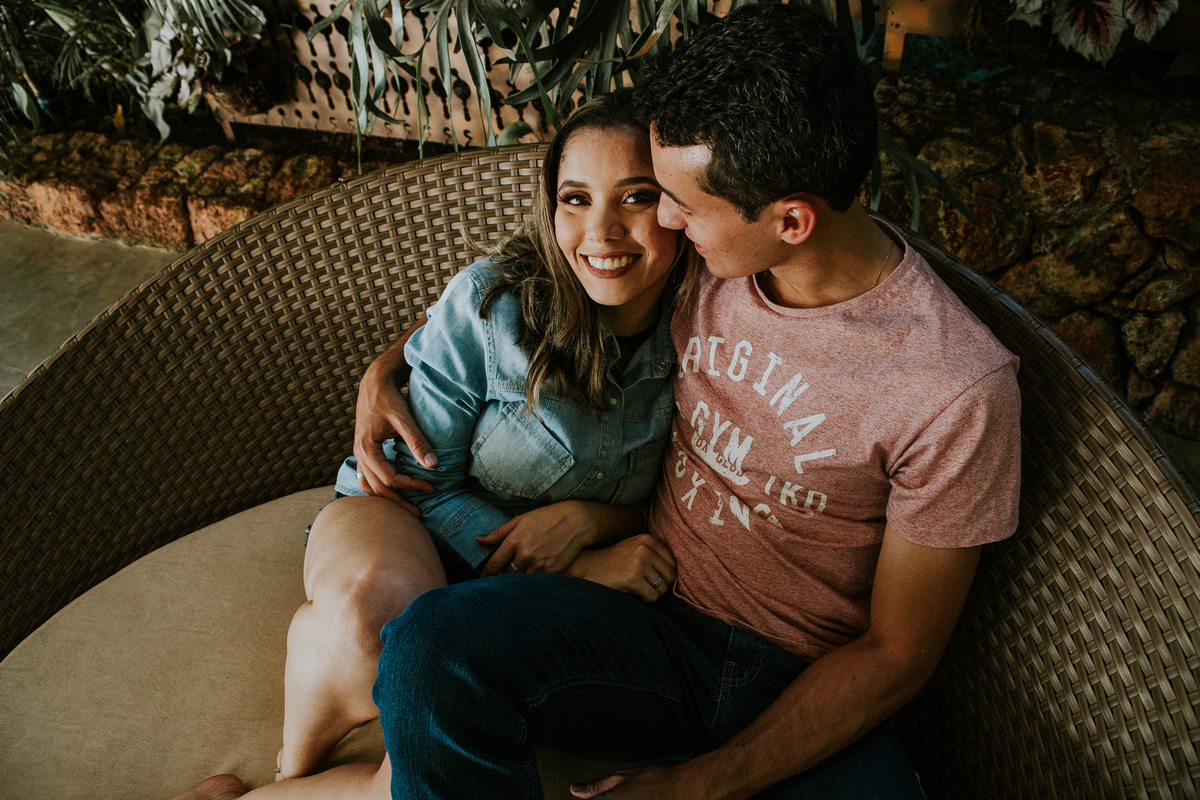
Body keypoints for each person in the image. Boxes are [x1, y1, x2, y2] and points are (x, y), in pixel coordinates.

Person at [361, 4, 1022, 799]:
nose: (663, 221)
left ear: (792, 220)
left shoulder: (954, 390)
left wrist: (693, 790)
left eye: (681, 204)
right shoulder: (709, 257)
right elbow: (525, 286)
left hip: (800, 677)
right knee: (432, 647)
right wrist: (390, 363)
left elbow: (896, 654)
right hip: (646, 620)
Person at [171, 89, 694, 800]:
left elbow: (689, 494)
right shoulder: (494, 306)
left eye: (634, 197)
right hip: (409, 511)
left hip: (540, 577)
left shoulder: (713, 330)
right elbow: (426, 482)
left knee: (411, 781)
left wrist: (599, 523)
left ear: (680, 206)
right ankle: (298, 760)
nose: (600, 231)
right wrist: (578, 567)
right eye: (574, 198)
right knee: (366, 624)